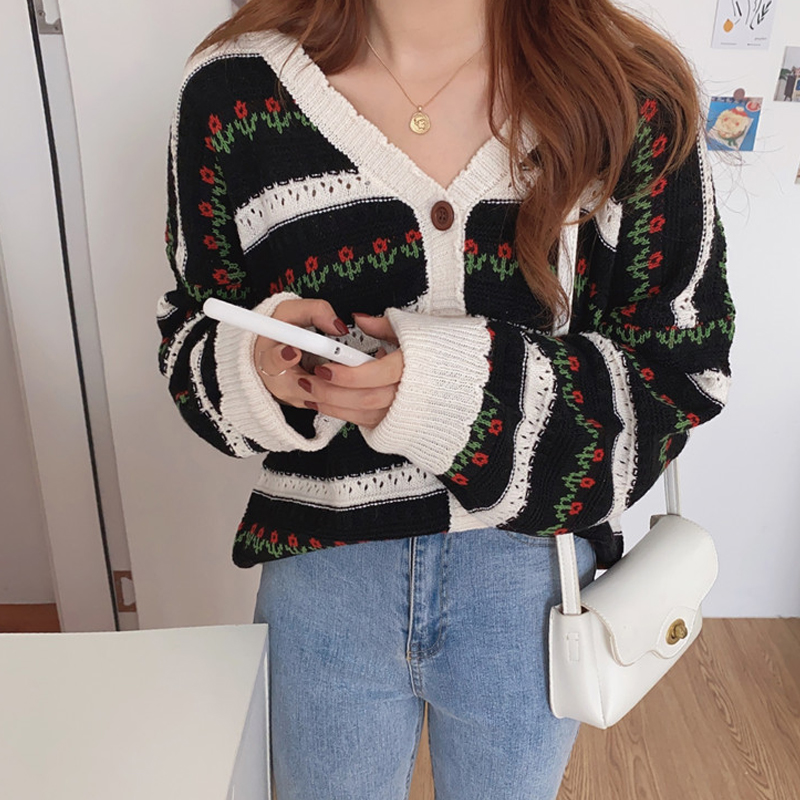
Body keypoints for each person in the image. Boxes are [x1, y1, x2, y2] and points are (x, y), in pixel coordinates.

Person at [157, 0, 735, 797]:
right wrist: (259, 365)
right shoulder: (233, 94)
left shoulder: (628, 99)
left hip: (530, 578)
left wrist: (454, 395)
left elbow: (677, 374)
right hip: (323, 577)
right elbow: (192, 330)